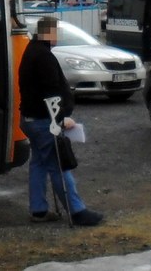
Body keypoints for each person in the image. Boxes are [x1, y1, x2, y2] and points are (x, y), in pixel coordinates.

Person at [18, 16, 104, 226]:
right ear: (48, 33)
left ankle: (38, 209)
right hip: (43, 120)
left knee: (39, 162)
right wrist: (60, 119)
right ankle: (77, 211)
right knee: (58, 163)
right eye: (55, 33)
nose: (57, 37)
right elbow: (51, 91)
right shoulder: (44, 56)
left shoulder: (31, 52)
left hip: (29, 118)